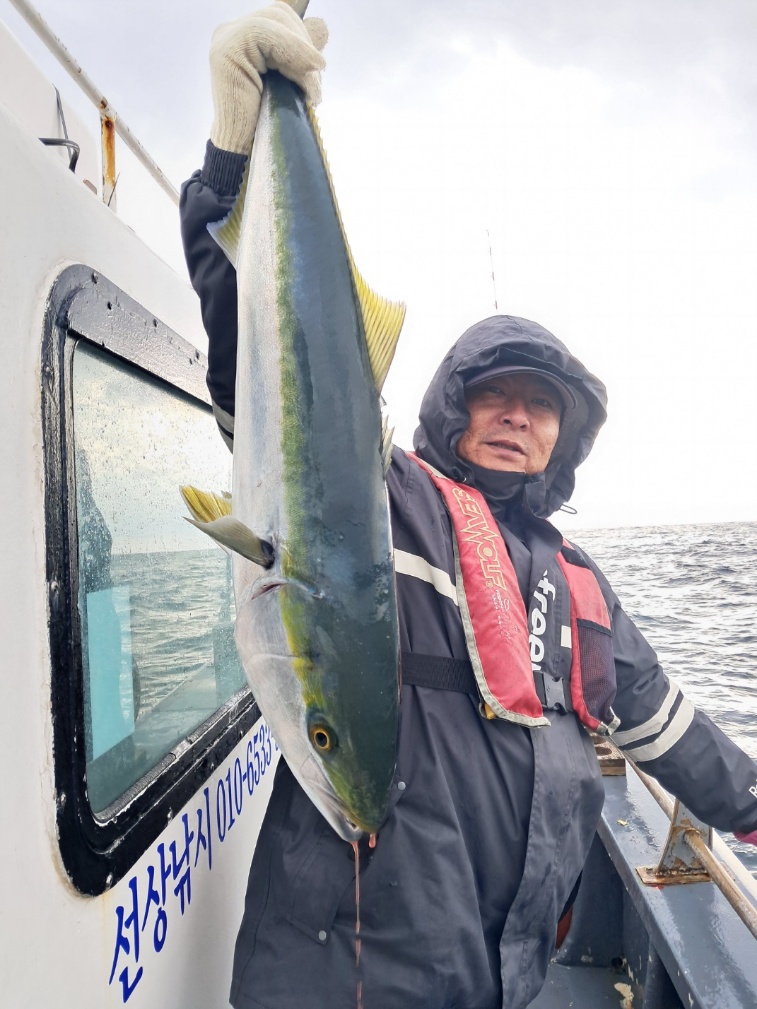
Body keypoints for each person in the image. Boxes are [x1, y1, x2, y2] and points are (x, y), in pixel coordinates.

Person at [180, 6, 757, 1008]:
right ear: (454, 406)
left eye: (541, 406)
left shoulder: (580, 585)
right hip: (343, 969)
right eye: (495, 395)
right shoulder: (388, 498)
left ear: (563, 437)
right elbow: (271, 383)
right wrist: (232, 163)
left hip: (499, 974)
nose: (517, 418)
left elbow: (665, 728)